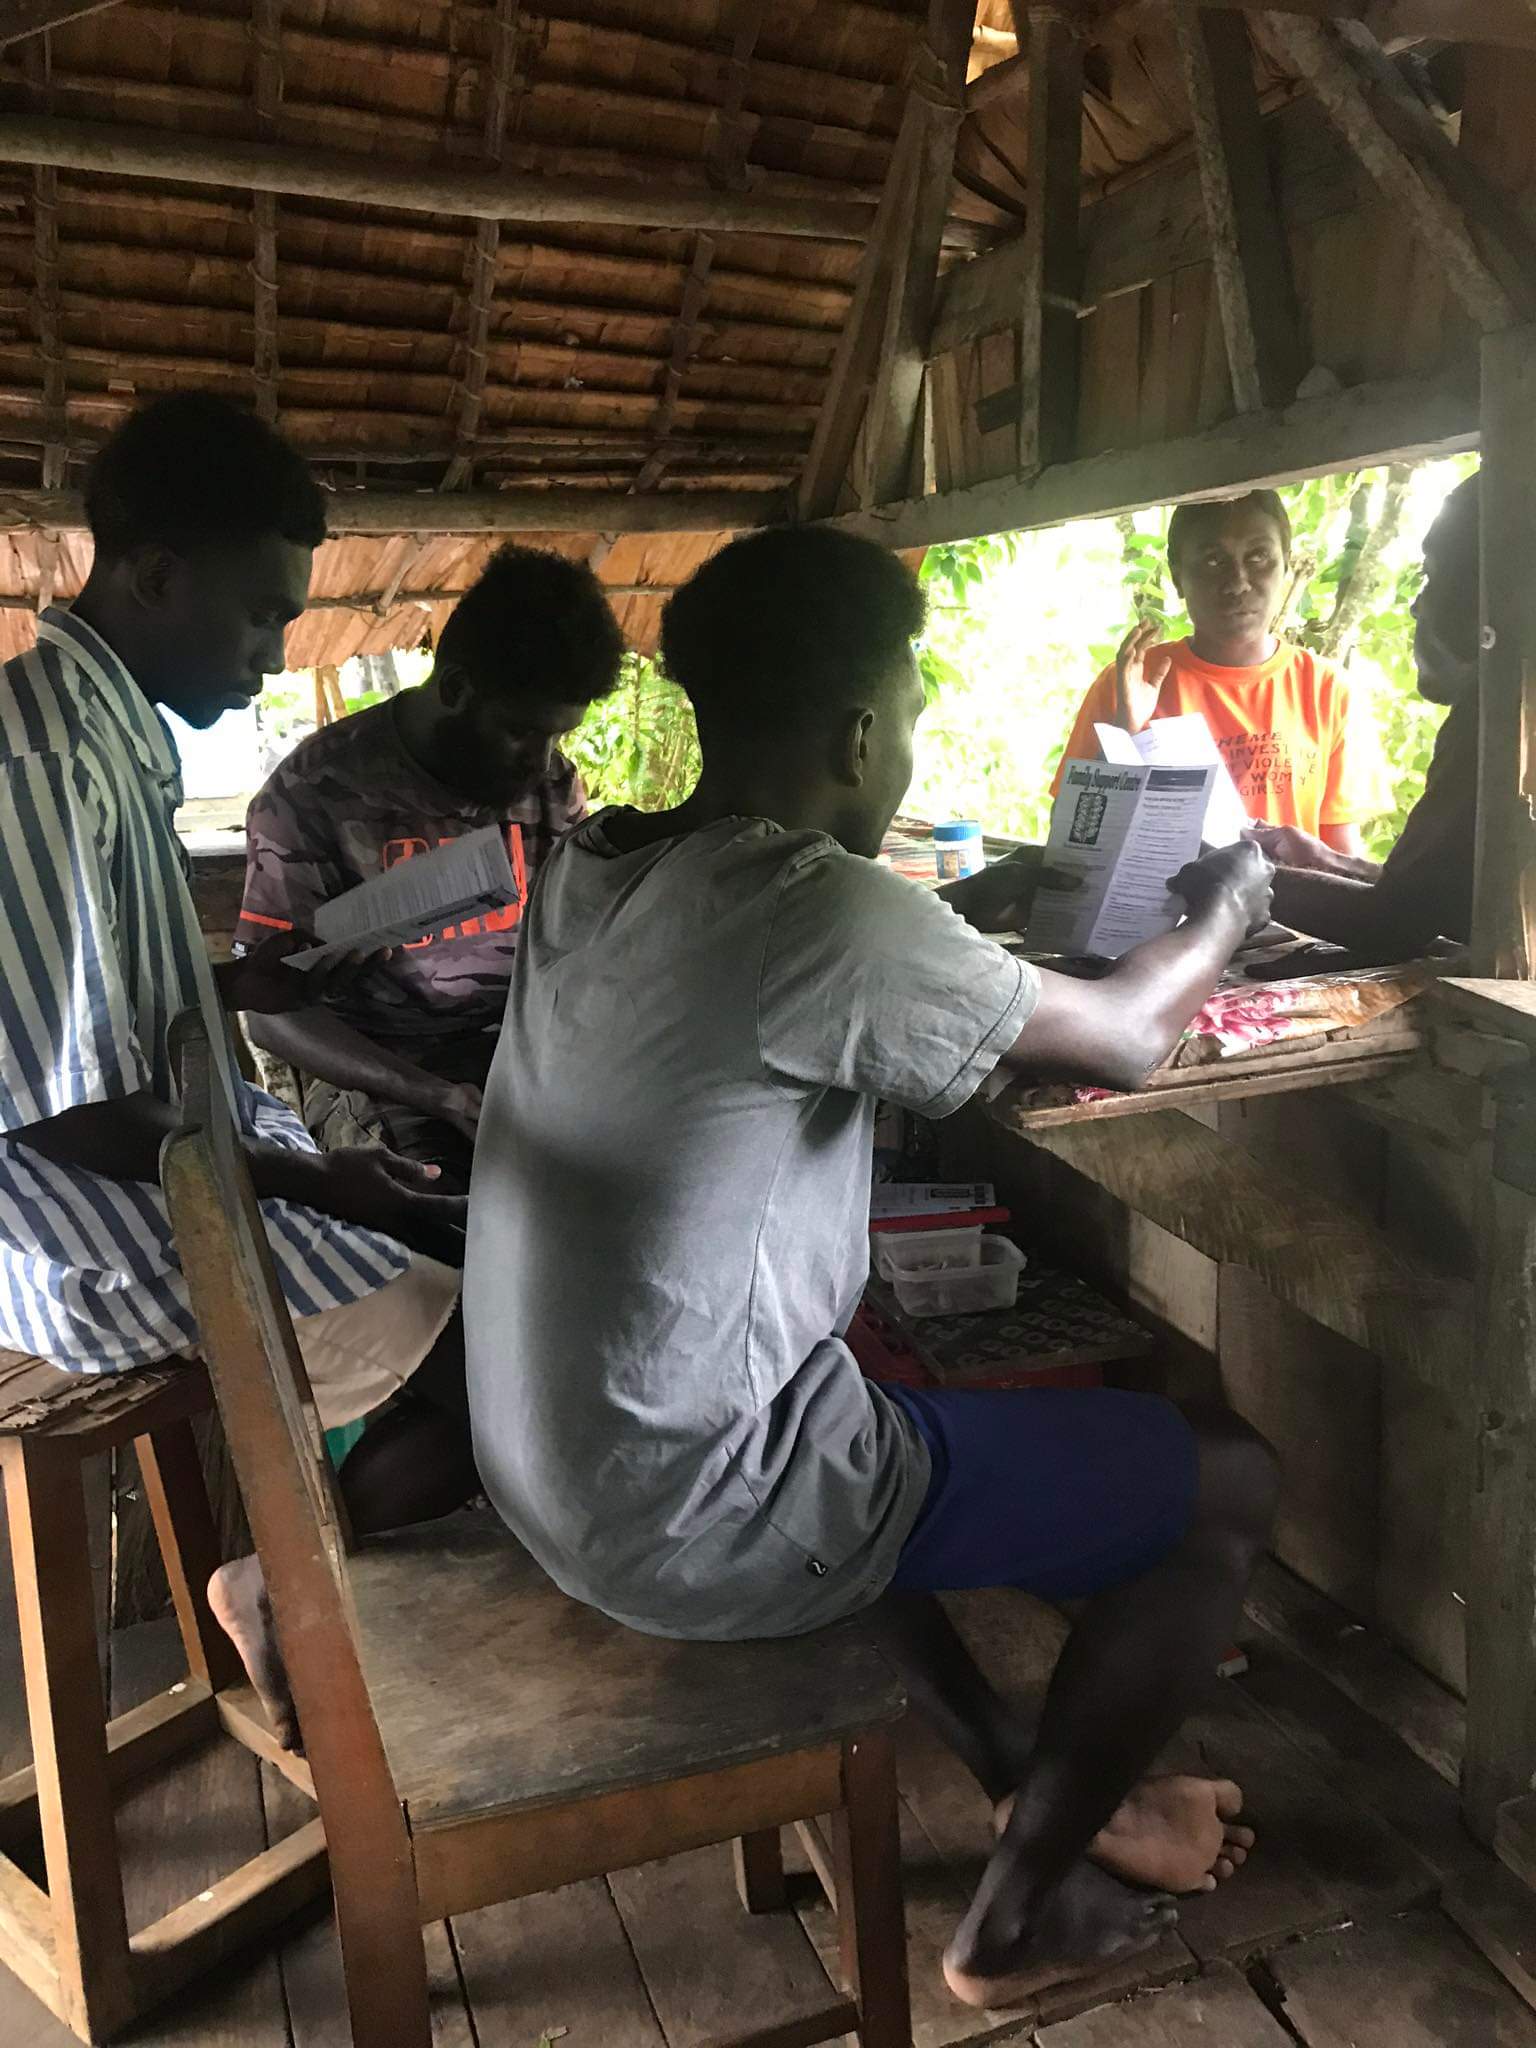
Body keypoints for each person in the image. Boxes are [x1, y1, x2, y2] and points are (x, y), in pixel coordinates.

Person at [465, 526, 1279, 2008]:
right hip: (688, 1509)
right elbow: (1122, 1036)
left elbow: (823, 967)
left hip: (548, 1470)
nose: (906, 746)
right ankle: (1021, 1905)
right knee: (1223, 1479)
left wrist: (983, 906)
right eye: (905, 719)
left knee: (860, 1393)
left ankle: (1027, 1768)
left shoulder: (599, 868)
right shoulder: (812, 911)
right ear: (858, 733)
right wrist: (1222, 913)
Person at [0, 393, 481, 1750]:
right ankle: (278, 1583)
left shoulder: (92, 741)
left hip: (170, 1173)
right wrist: (327, 1180)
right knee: (508, 1359)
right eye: (262, 614)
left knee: (471, 1283)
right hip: (88, 1242)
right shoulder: (38, 763)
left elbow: (73, 1008)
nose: (276, 654)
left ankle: (299, 1571)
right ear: (156, 576)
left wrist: (237, 990)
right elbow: (69, 1107)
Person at [238, 546, 624, 1190]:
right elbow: (272, 1014)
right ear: (456, 690)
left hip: (519, 1055)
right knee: (441, 1212)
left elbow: (576, 950)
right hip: (375, 1069)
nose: (542, 760)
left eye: (558, 736)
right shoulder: (315, 795)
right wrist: (434, 1093)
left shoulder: (550, 788)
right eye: (522, 732)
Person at [1055, 492, 1383, 853]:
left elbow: (1341, 854)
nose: (1238, 582)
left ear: (1287, 567)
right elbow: (1069, 838)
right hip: (1165, 908)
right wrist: (1125, 733)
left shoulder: (1327, 690)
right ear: (1178, 577)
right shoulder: (1128, 684)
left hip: (1286, 907)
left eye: (1259, 557)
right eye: (1213, 561)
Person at [1247, 474, 1478, 964]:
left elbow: (1395, 919)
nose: (1417, 604)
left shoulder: (1497, 731)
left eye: (1434, 576)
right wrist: (1325, 859)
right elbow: (1430, 898)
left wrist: (1231, 871)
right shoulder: (1490, 716)